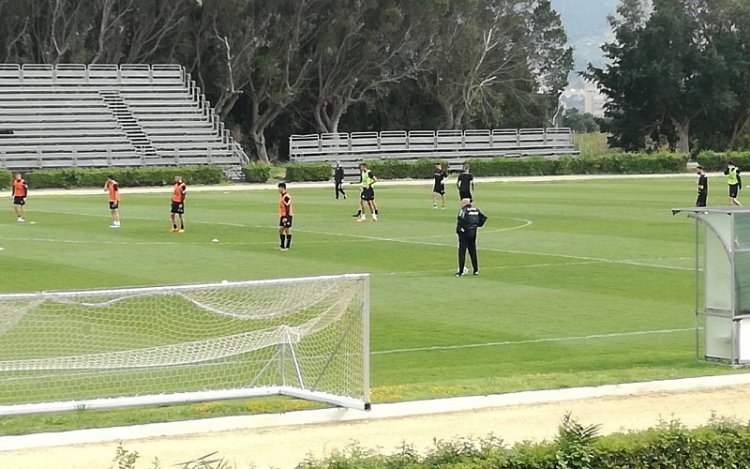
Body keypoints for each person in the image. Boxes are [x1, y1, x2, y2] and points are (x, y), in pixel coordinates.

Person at [455, 198, 487, 277]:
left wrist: (459, 231)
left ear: (464, 203)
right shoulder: (476, 210)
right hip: (473, 233)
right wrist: (476, 225)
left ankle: (461, 271)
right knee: (473, 251)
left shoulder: (463, 210)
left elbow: (460, 220)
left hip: (464, 233)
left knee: (462, 252)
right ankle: (475, 270)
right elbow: (483, 218)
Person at [278, 182, 294, 251]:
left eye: (279, 188)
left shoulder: (286, 196)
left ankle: (287, 246)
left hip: (287, 215)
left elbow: (287, 207)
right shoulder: (282, 196)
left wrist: (286, 217)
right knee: (281, 230)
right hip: (283, 215)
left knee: (286, 230)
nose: (278, 190)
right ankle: (282, 245)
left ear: (282, 188)